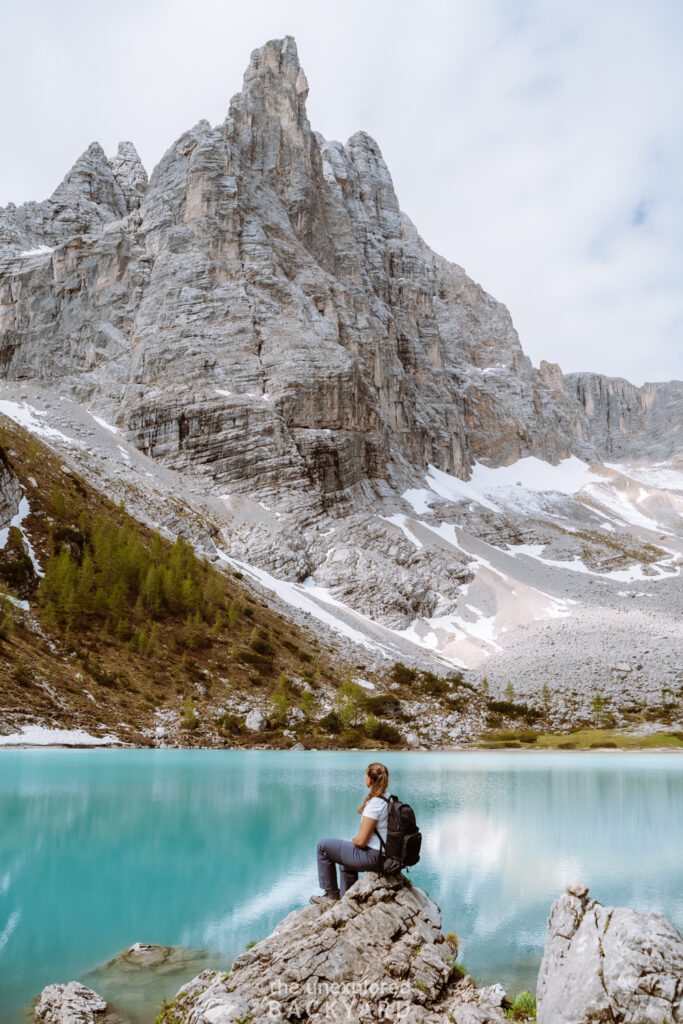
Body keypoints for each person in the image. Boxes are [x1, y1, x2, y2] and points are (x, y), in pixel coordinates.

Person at [311, 762, 389, 904]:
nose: (364, 777)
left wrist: (354, 840)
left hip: (375, 857)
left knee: (323, 846)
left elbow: (361, 841)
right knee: (345, 859)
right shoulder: (389, 799)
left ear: (370, 780)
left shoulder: (375, 804)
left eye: (365, 775)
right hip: (386, 855)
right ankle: (347, 899)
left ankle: (331, 895)